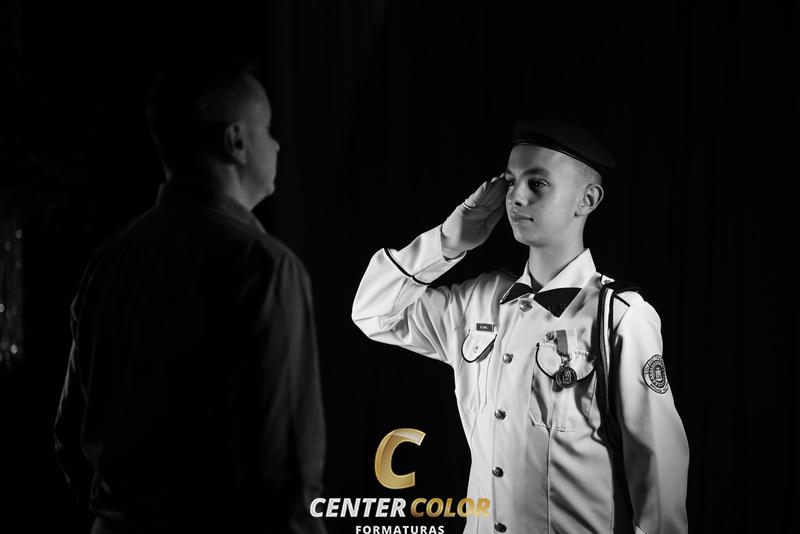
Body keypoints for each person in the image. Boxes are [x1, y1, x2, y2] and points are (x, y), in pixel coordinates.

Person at [352, 117, 689, 533]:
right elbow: (373, 312)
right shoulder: (478, 303)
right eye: (511, 182)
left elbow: (659, 475)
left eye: (538, 183)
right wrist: (447, 242)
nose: (516, 196)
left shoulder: (619, 317)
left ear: (587, 199)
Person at [54, 58, 326, 534]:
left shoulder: (110, 260)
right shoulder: (264, 268)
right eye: (267, 129)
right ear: (236, 141)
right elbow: (283, 477)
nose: (277, 144)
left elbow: (71, 434)